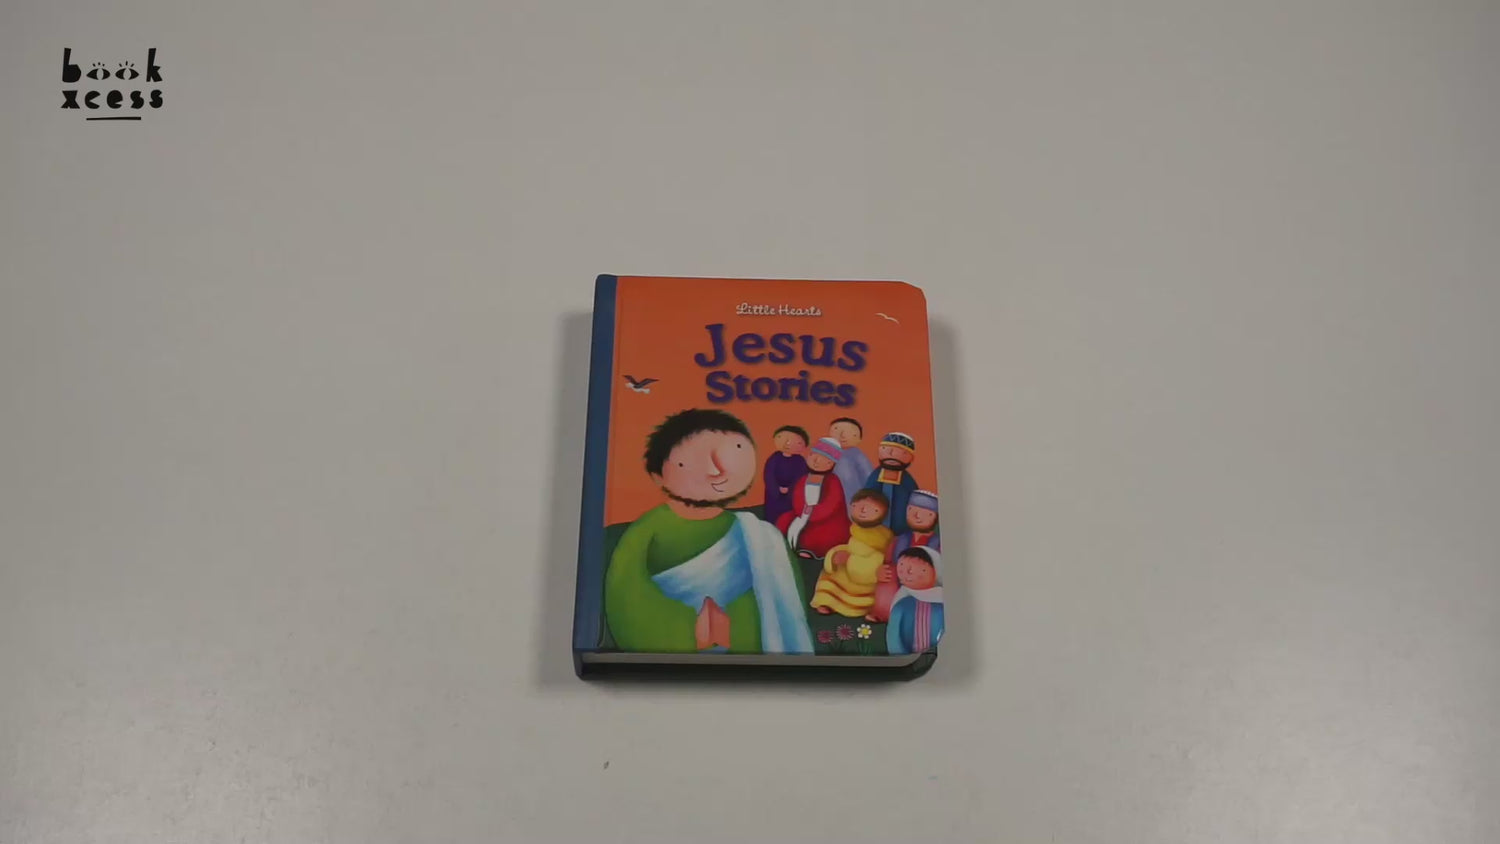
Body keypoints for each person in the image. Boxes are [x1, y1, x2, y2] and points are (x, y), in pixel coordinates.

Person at [605, 409, 814, 655]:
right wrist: (691, 629)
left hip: (759, 650)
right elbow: (625, 594)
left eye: (733, 454)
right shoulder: (649, 529)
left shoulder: (759, 533)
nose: (717, 471)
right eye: (689, 462)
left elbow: (788, 597)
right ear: (658, 475)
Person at [809, 489, 894, 617]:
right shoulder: (853, 528)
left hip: (867, 572)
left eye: (873, 509)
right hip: (849, 563)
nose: (863, 511)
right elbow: (847, 547)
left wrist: (874, 572)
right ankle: (827, 602)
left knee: (861, 592)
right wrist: (834, 556)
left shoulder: (883, 537)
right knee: (830, 577)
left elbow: (877, 558)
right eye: (858, 506)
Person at [774, 437, 851, 558]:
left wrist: (814, 512)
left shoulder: (833, 481)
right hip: (803, 514)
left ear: (831, 463)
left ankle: (810, 550)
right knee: (784, 521)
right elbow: (797, 497)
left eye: (823, 458)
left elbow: (832, 503)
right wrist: (803, 511)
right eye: (813, 456)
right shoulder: (803, 479)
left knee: (821, 535)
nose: (815, 461)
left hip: (825, 520)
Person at [871, 490, 940, 622]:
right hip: (900, 581)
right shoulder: (898, 540)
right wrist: (881, 572)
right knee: (888, 575)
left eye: (926, 513)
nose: (917, 516)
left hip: (925, 585)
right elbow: (887, 562)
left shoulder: (938, 543)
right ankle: (883, 613)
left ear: (935, 517)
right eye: (911, 510)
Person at [886, 547, 945, 655]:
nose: (907, 574)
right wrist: (899, 655)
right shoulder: (902, 605)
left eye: (911, 570)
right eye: (901, 570)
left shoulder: (943, 604)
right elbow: (894, 635)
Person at [863, 432, 920, 534]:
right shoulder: (876, 475)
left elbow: (914, 498)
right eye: (885, 449)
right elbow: (867, 493)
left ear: (911, 457)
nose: (891, 453)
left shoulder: (907, 480)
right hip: (876, 524)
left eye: (900, 451)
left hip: (901, 526)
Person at [762, 425, 809, 524]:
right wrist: (776, 489)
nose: (787, 444)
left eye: (796, 442)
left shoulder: (800, 461)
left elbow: (801, 477)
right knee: (773, 517)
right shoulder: (774, 458)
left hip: (792, 495)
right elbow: (769, 475)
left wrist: (790, 489)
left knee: (790, 517)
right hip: (774, 495)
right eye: (783, 439)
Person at [828, 417, 874, 509]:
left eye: (850, 432)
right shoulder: (827, 453)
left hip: (852, 497)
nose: (842, 435)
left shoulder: (857, 455)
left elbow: (868, 476)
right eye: (836, 430)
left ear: (859, 438)